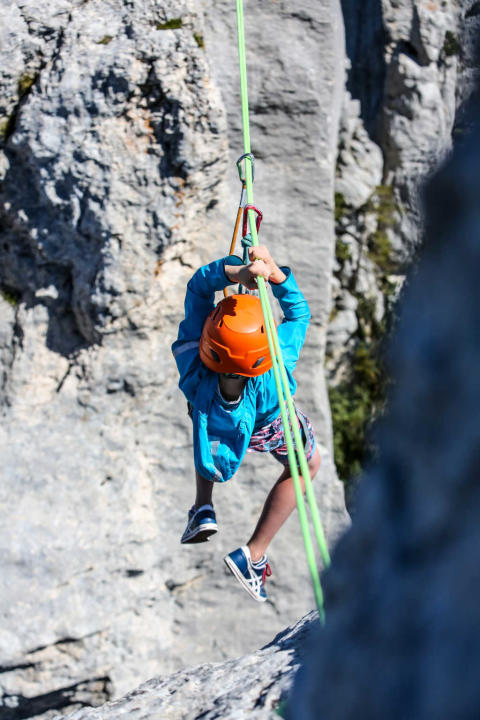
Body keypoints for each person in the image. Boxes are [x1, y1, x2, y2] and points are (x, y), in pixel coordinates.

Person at [171, 245, 321, 602]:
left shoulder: (193, 362)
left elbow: (197, 288)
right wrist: (276, 276)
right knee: (305, 467)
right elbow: (299, 315)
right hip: (268, 425)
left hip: (214, 415)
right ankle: (253, 553)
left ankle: (203, 505)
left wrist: (234, 275)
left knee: (204, 425)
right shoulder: (277, 366)